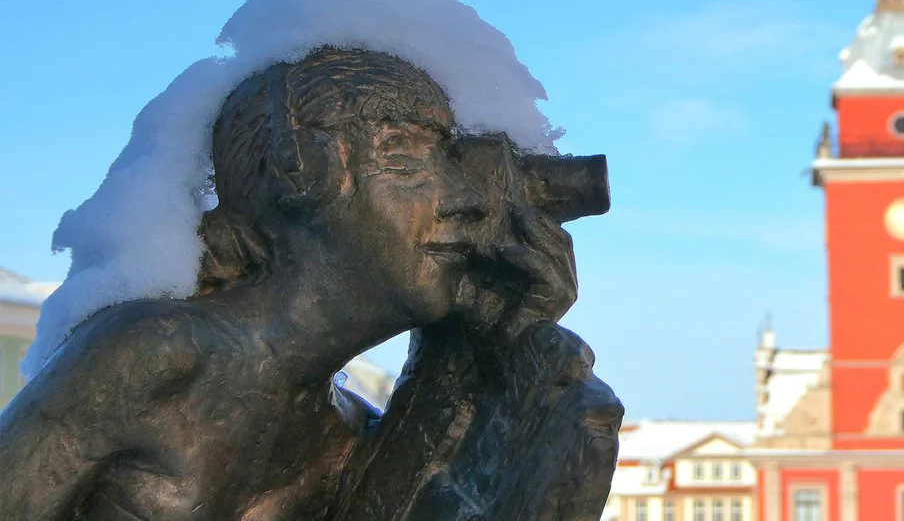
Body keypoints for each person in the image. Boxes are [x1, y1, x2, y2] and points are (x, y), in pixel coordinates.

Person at [0, 47, 577, 520]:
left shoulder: (347, 435)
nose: (466, 201)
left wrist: (490, 350)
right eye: (405, 162)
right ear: (299, 170)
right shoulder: (151, 355)